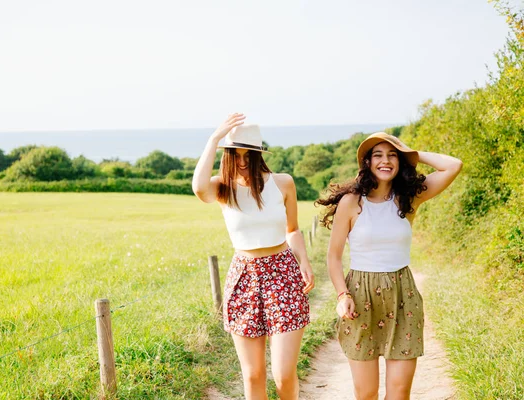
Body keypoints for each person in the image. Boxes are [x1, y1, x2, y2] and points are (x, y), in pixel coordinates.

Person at [316, 132, 462, 400]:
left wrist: (411, 152)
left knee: (398, 393)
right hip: (360, 295)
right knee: (367, 393)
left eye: (392, 155)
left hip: (403, 295)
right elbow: (333, 256)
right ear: (368, 163)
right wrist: (342, 294)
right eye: (379, 155)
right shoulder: (352, 202)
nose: (386, 161)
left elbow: (453, 165)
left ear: (401, 161)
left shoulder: (408, 198)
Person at [192, 113, 315, 400]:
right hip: (244, 276)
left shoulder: (283, 183)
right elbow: (198, 188)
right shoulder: (222, 188)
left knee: (284, 375)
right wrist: (214, 139)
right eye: (237, 154)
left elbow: (293, 230)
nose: (244, 161)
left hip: (283, 273)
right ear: (228, 155)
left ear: (259, 155)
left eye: (250, 155)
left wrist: (304, 262)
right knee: (253, 375)